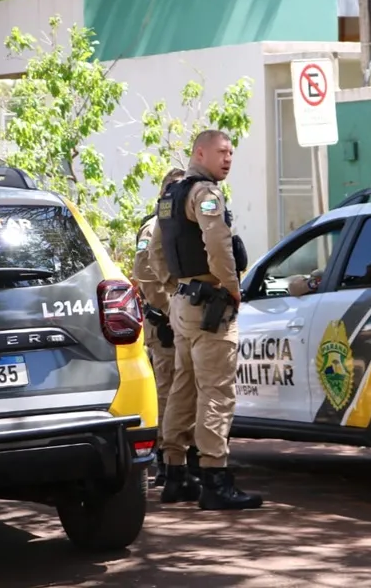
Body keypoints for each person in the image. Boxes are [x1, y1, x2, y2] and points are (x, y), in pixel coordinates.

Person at [148, 129, 262, 510]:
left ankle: (175, 472)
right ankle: (215, 478)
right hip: (209, 304)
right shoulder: (205, 194)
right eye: (221, 152)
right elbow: (218, 242)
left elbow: (156, 252)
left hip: (182, 303)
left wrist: (172, 289)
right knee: (216, 391)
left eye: (231, 153)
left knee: (184, 386)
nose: (228, 159)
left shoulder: (170, 196)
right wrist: (231, 286)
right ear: (200, 152)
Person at [131, 167, 199, 486]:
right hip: (166, 321)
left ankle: (190, 455)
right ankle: (164, 459)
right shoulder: (154, 226)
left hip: (190, 318)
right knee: (168, 389)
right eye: (172, 188)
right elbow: (144, 274)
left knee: (192, 389)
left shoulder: (189, 226)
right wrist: (170, 308)